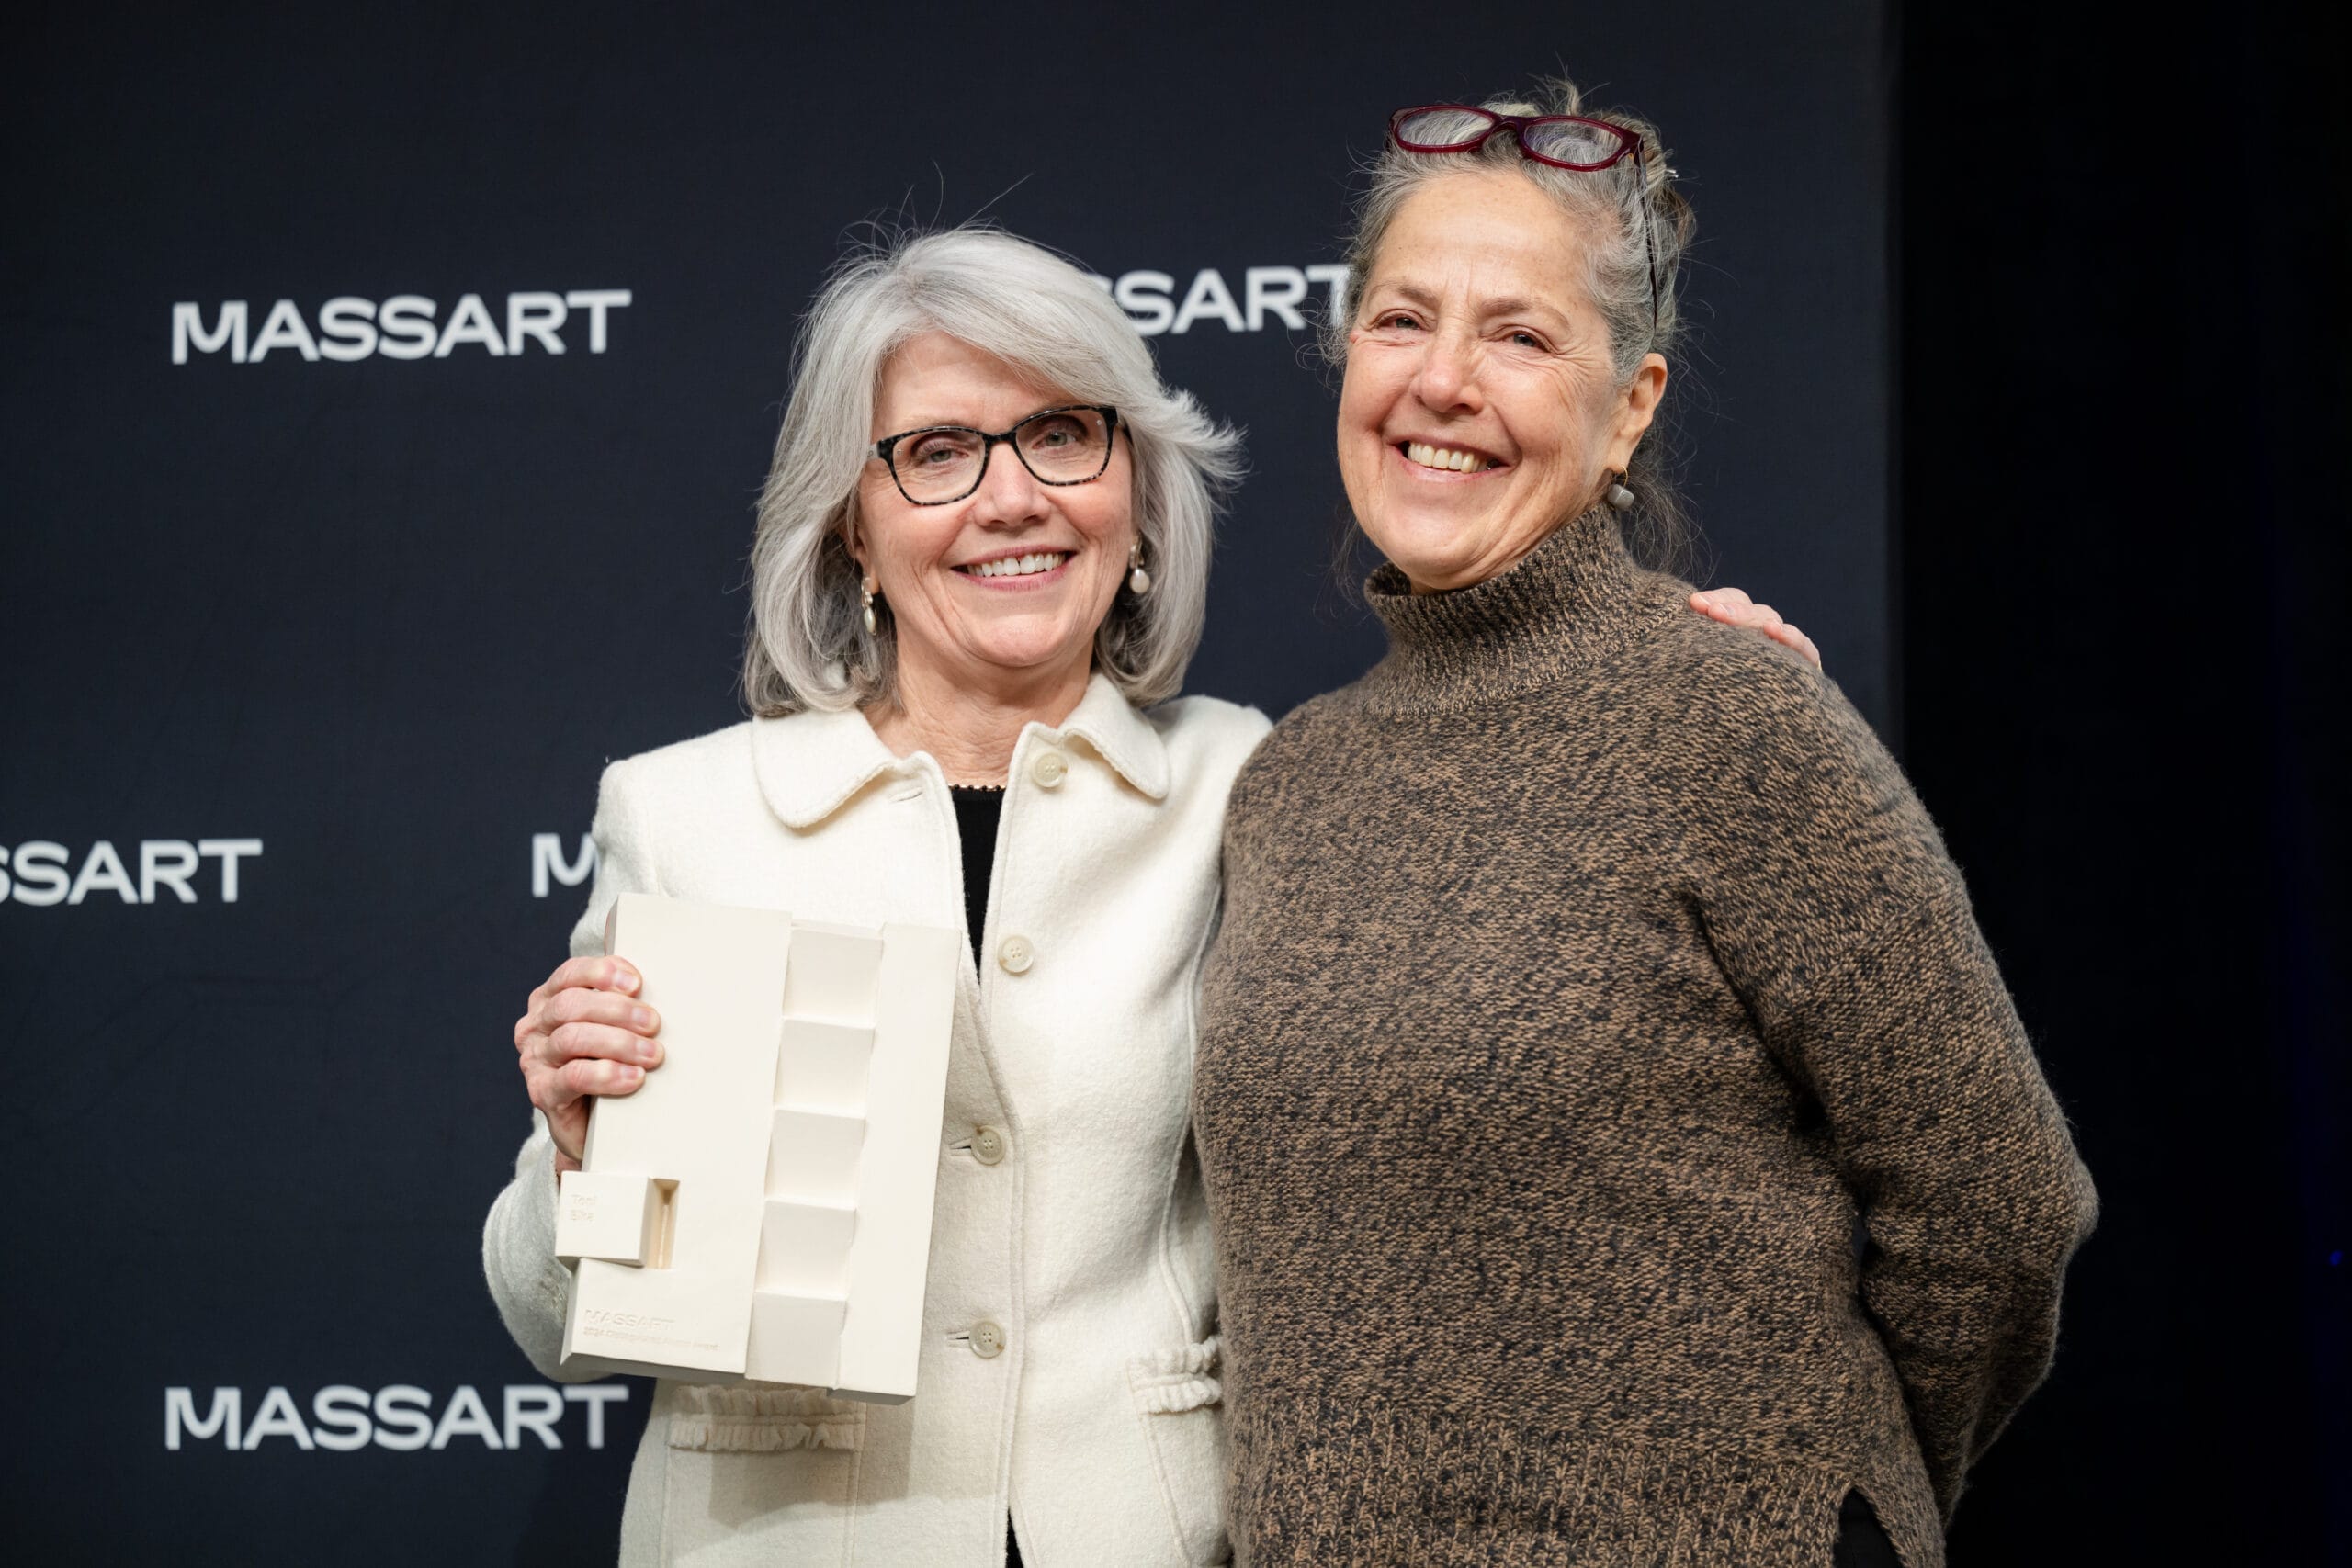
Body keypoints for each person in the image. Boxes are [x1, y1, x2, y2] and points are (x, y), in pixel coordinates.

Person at [482, 225, 1813, 1565]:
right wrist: (586, 1165)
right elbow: (553, 1327)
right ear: (850, 525)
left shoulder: (1255, 783)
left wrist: (1671, 693)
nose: (1013, 499)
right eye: (938, 453)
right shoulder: (687, 816)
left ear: (1136, 496)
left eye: (1063, 435)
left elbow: (1510, 886)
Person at [1193, 83, 2098, 1568]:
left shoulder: (1740, 722)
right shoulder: (1290, 783)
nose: (1442, 382)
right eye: (1403, 320)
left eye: (1521, 335)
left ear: (1632, 408)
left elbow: (1998, 1205)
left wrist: (1826, 1503)